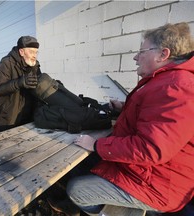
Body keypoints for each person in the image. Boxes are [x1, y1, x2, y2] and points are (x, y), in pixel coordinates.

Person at [65, 22, 194, 215]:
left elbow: (151, 149)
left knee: (77, 189)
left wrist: (96, 145)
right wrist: (126, 108)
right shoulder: (169, 82)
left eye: (142, 51)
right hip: (154, 172)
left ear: (163, 54)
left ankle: (115, 210)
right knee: (86, 164)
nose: (136, 57)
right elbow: (158, 119)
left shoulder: (176, 87)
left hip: (159, 184)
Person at [0, 36, 41, 134]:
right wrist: (19, 83)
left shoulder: (34, 64)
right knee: (6, 145)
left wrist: (50, 85)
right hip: (9, 118)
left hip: (28, 116)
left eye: (36, 52)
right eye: (31, 52)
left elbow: (38, 84)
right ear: (21, 52)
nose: (34, 55)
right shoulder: (6, 62)